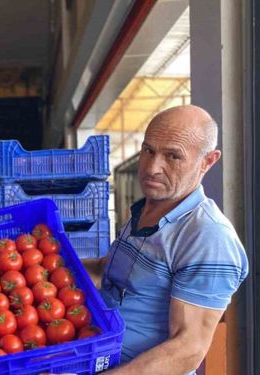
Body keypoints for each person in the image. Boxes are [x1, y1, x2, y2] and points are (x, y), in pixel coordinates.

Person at [78, 105, 248, 375]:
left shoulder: (207, 237)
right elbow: (105, 270)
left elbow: (187, 349)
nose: (152, 167)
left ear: (208, 161)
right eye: (148, 150)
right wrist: (48, 267)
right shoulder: (147, 207)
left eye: (173, 156)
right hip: (95, 356)